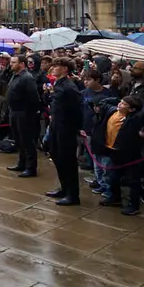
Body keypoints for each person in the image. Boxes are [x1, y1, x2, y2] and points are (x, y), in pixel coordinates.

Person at [47, 59, 84, 206]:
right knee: (57, 156)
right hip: (57, 124)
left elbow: (76, 110)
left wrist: (74, 129)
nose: (53, 68)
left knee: (67, 160)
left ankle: (72, 194)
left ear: (64, 69)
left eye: (56, 66)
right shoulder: (59, 84)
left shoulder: (69, 87)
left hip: (66, 128)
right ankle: (64, 188)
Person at [7, 55, 42, 177]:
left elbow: (34, 98)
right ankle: (21, 163)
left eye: (14, 62)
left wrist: (29, 113)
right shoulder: (15, 75)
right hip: (14, 111)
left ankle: (31, 167)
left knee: (27, 140)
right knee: (18, 139)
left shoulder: (27, 78)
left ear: (22, 64)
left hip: (24, 113)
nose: (11, 64)